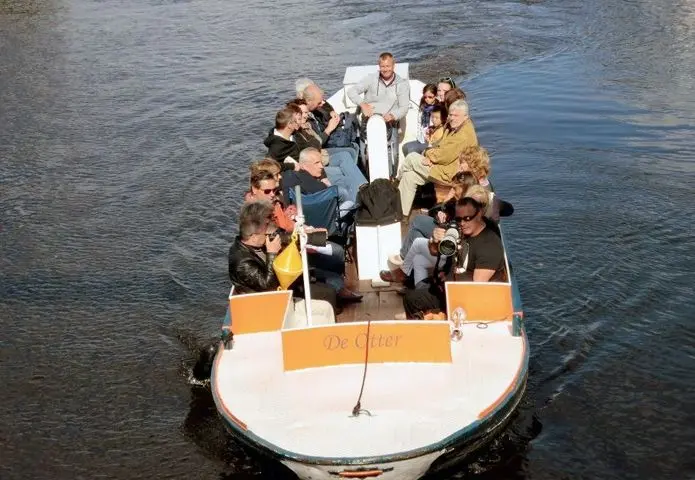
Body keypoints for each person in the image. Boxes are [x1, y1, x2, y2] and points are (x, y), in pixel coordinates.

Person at [246, 170, 362, 303]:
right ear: (254, 189)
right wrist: (308, 237)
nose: (272, 194)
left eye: (274, 190)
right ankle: (337, 290)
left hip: (294, 244)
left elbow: (286, 224)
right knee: (335, 254)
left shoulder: (274, 203)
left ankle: (338, 287)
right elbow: (276, 238)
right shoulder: (254, 214)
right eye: (267, 191)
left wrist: (301, 224)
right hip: (287, 256)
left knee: (335, 254)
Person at [400, 197, 507, 319]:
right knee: (413, 291)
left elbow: (476, 289)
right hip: (449, 285)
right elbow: (434, 251)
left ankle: (432, 320)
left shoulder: (489, 245)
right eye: (458, 219)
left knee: (412, 299)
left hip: (467, 298)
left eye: (467, 218)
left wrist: (449, 278)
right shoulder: (461, 231)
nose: (462, 223)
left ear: (479, 215)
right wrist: (434, 240)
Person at [265, 107, 366, 203]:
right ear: (290, 125)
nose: (300, 122)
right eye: (297, 120)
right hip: (304, 178)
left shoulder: (294, 135)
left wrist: (323, 176)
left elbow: (312, 146)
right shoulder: (276, 146)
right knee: (345, 181)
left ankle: (362, 195)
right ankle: (359, 201)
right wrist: (292, 166)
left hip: (311, 169)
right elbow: (269, 166)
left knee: (346, 177)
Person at [397, 99, 478, 216]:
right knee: (410, 176)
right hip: (443, 166)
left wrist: (427, 153)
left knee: (411, 157)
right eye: (450, 115)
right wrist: (431, 154)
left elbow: (443, 156)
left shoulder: (463, 135)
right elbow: (441, 147)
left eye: (456, 115)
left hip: (450, 173)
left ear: (466, 116)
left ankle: (395, 184)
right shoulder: (456, 127)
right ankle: (401, 214)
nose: (452, 118)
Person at [388, 171, 478, 268]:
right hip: (444, 230)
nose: (452, 190)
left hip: (452, 240)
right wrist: (442, 210)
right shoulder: (457, 201)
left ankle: (404, 258)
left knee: (417, 221)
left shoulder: (471, 207)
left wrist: (447, 221)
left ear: (464, 189)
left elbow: (463, 231)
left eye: (455, 188)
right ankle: (409, 263)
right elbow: (432, 211)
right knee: (415, 234)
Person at [347, 52, 411, 165]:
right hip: (369, 119)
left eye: (388, 66)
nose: (385, 69)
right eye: (382, 66)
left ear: (393, 66)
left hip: (389, 121)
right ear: (379, 66)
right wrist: (363, 104)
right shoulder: (371, 78)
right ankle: (366, 168)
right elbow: (351, 91)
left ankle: (391, 171)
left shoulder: (402, 84)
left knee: (393, 154)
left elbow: (404, 107)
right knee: (366, 154)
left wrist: (393, 115)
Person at [228, 200, 283, 294]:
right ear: (254, 237)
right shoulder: (243, 263)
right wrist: (272, 254)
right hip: (262, 299)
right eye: (267, 234)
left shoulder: (255, 244)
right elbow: (269, 286)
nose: (270, 237)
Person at [402, 83, 438, 157]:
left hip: (431, 142)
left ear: (435, 96)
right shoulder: (423, 107)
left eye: (430, 97)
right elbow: (419, 124)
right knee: (405, 147)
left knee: (411, 150)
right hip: (421, 139)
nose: (427, 99)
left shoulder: (438, 109)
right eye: (425, 97)